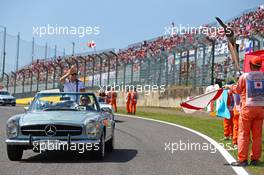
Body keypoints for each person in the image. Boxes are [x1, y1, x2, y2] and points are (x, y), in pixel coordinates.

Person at [225, 56, 264, 166]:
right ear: (260, 66)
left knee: (243, 134)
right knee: (257, 136)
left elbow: (237, 89)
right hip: (261, 108)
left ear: (251, 65)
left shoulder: (245, 76)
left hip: (248, 108)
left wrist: (230, 87)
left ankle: (242, 159)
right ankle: (255, 159)